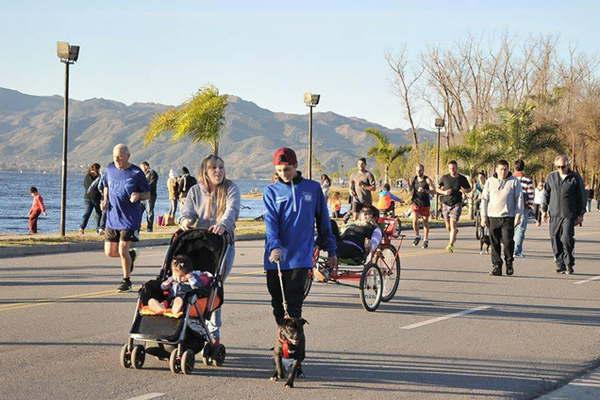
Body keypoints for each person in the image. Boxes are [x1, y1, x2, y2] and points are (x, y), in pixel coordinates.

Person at [263, 147, 337, 332]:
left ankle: (294, 347)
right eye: (279, 171)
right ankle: (283, 336)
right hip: (276, 257)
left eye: (287, 169)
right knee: (277, 303)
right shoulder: (271, 192)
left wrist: (331, 250)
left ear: (295, 166)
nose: (283, 174)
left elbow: (323, 221)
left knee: (294, 302)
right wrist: (274, 247)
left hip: (301, 256)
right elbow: (271, 223)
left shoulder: (312, 188)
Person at [179, 154, 240, 345]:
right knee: (190, 282)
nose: (218, 171)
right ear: (205, 171)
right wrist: (185, 222)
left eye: (221, 167)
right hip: (198, 243)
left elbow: (232, 210)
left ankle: (214, 331)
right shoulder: (195, 191)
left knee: (214, 284)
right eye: (213, 168)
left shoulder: (230, 188)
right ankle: (188, 325)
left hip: (222, 244)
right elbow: (187, 213)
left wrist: (223, 224)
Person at [101, 144, 151, 292]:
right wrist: (104, 199)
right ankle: (131, 255)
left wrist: (139, 195)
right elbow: (106, 186)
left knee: (123, 250)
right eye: (114, 155)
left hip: (130, 218)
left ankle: (126, 280)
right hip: (112, 217)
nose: (117, 158)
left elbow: (147, 194)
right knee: (110, 252)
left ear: (128, 156)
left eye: (120, 156)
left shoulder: (136, 173)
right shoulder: (109, 169)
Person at [542, 155, 586, 274]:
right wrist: (543, 210)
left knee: (566, 238)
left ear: (568, 164)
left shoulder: (575, 178)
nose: (561, 168)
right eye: (558, 166)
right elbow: (546, 194)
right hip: (554, 214)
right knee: (555, 239)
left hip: (569, 214)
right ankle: (560, 263)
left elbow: (582, 196)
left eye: (563, 166)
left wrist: (581, 214)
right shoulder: (551, 177)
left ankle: (569, 263)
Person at [480, 160, 523, 276]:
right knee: (494, 243)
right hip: (493, 217)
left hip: (508, 217)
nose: (503, 171)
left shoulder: (514, 182)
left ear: (509, 169)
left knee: (508, 242)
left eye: (505, 169)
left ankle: (509, 263)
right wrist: (483, 216)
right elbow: (484, 199)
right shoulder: (490, 182)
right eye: (501, 169)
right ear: (496, 170)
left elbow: (519, 199)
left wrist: (518, 215)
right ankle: (497, 266)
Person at [144, 255, 213, 318]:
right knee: (158, 300)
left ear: (188, 273)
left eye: (182, 277)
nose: (179, 279)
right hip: (170, 298)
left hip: (184, 299)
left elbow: (197, 285)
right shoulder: (172, 278)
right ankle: (159, 307)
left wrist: (190, 277)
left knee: (178, 299)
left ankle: (175, 309)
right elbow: (162, 287)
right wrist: (166, 284)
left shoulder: (194, 277)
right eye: (176, 276)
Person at [436, 160, 472, 253]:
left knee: (452, 224)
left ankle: (450, 244)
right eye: (450, 168)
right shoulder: (444, 178)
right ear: (448, 168)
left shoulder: (462, 178)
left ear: (457, 168)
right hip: (445, 203)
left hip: (456, 204)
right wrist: (444, 192)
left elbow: (469, 189)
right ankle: (454, 231)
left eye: (454, 168)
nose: (452, 170)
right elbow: (437, 188)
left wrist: (465, 190)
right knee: (448, 226)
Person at [513, 159, 535, 258]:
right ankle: (517, 251)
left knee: (510, 228)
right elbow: (531, 194)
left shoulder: (511, 179)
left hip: (511, 207)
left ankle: (510, 248)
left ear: (514, 167)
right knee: (520, 229)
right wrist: (530, 206)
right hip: (523, 207)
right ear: (523, 167)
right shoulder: (527, 180)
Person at [409, 164, 434, 248]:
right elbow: (411, 190)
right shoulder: (414, 179)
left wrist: (425, 190)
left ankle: (425, 240)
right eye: (417, 170)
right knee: (414, 221)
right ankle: (417, 236)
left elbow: (433, 191)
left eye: (420, 170)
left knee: (425, 222)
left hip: (425, 204)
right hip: (415, 203)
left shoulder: (427, 180)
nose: (418, 172)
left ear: (423, 170)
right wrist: (408, 185)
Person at [80, 163, 102, 234]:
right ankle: (83, 228)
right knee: (93, 214)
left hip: (91, 198)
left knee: (93, 214)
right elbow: (91, 187)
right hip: (92, 198)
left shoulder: (89, 176)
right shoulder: (93, 177)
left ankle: (83, 228)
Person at [140, 161, 159, 232]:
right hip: (142, 195)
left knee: (149, 211)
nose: (141, 168)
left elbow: (152, 184)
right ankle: (137, 226)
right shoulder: (143, 174)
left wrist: (145, 188)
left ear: (145, 166)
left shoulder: (152, 173)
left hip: (150, 195)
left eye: (141, 167)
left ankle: (149, 227)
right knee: (139, 211)